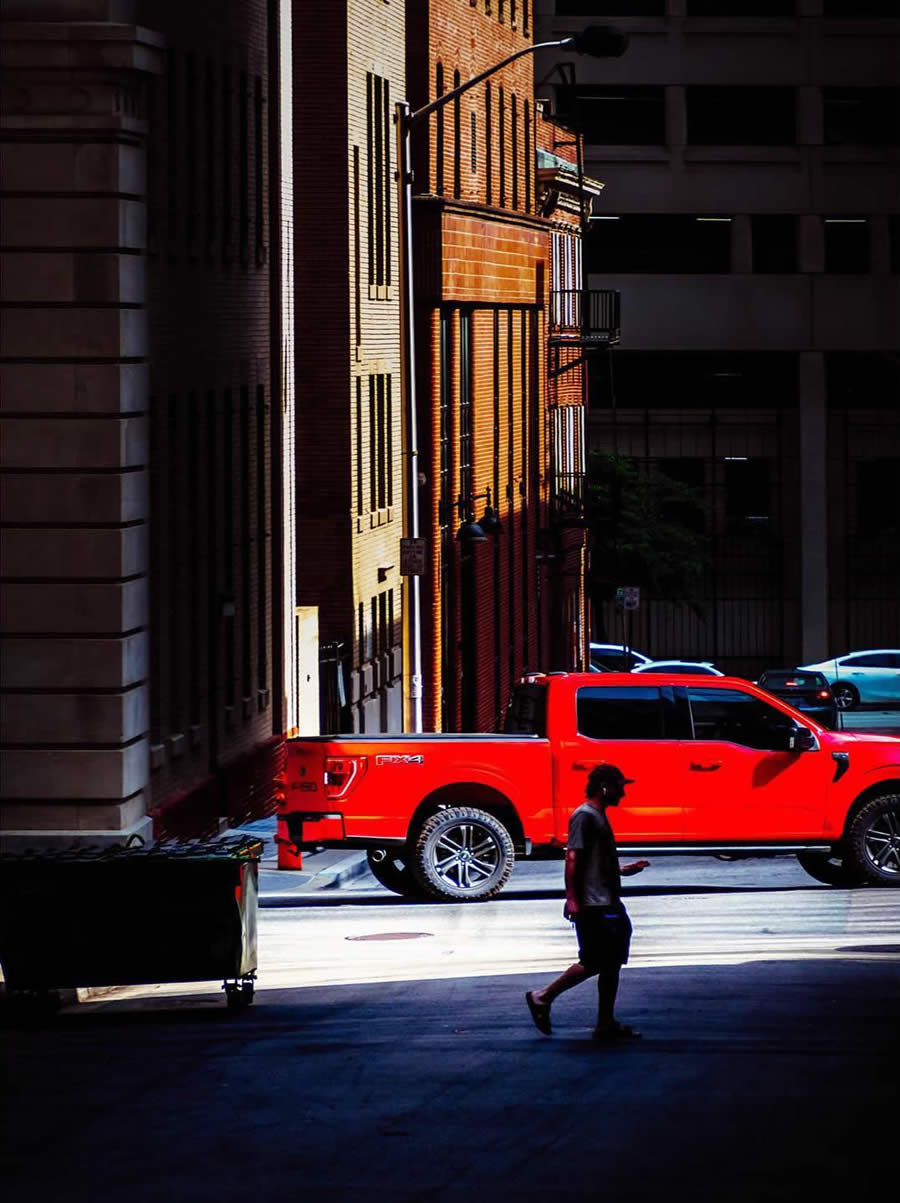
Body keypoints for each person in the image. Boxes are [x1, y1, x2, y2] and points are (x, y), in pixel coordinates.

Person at [525, 763, 650, 1042]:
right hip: (594, 903)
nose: (622, 794)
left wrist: (620, 870)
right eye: (619, 787)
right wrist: (572, 899)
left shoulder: (598, 816)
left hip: (606, 898)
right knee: (595, 960)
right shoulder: (585, 816)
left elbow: (592, 860)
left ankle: (605, 1024)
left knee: (612, 962)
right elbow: (573, 858)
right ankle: (543, 996)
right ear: (605, 787)